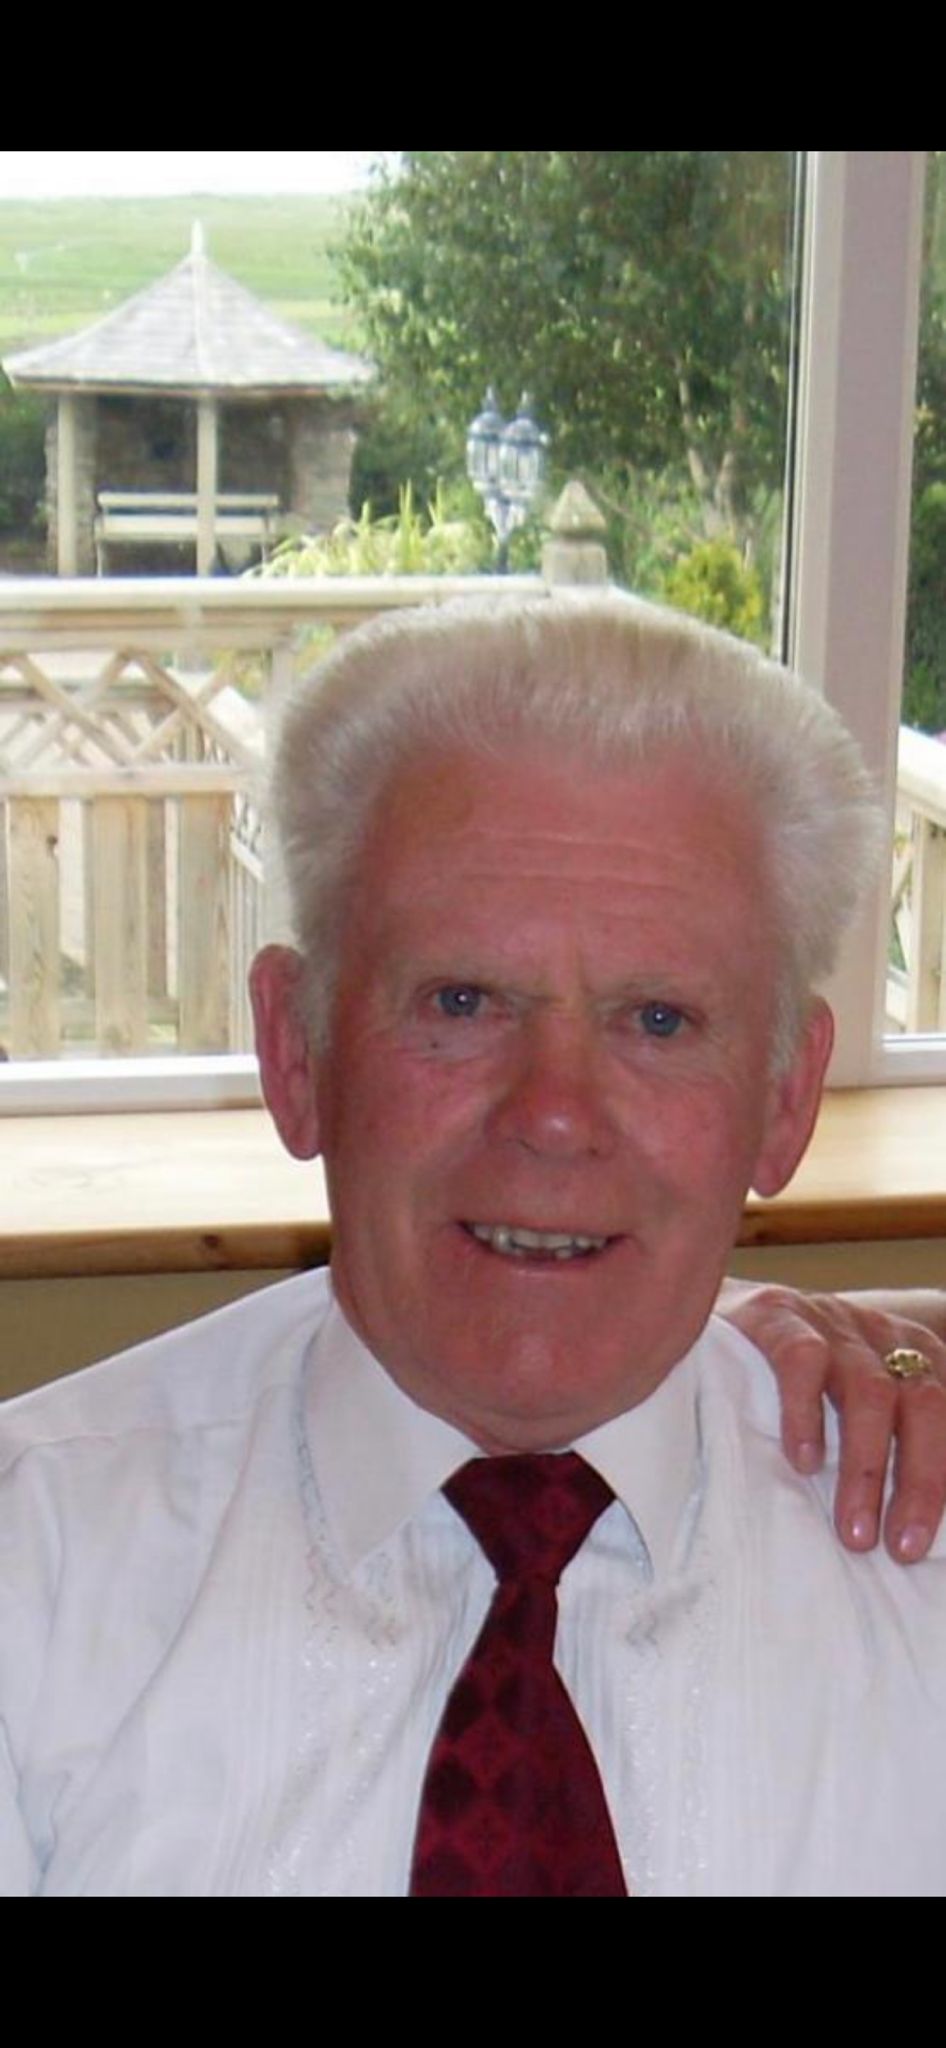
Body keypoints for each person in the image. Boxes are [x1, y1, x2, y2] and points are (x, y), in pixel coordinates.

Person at [2, 591, 945, 1897]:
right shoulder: (33, 1574)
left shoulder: (916, 1571)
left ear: (785, 1099)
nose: (553, 1113)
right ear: (295, 1052)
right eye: (461, 1001)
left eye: (657, 1020)